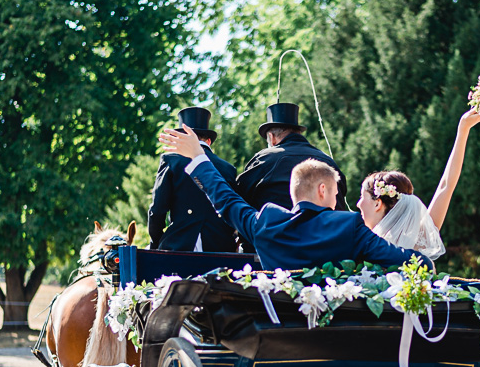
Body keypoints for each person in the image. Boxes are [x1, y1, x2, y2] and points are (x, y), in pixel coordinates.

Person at [157, 125, 431, 273]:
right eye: (336, 192)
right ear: (323, 190)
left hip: (274, 332)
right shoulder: (350, 227)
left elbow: (227, 200)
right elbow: (412, 262)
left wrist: (199, 158)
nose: (338, 200)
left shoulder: (267, 223)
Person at [356, 109, 480, 260]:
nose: (358, 204)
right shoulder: (418, 241)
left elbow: (445, 186)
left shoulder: (364, 245)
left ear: (378, 203)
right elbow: (446, 187)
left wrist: (463, 129)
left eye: (362, 196)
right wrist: (463, 130)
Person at [148, 107, 237, 252]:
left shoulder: (171, 160)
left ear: (182, 139)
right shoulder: (228, 168)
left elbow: (157, 210)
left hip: (179, 246)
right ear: (208, 141)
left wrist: (157, 243)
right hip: (220, 249)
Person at [234, 102, 348, 212]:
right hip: (328, 230)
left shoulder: (264, 159)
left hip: (277, 230)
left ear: (271, 137)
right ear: (298, 132)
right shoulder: (328, 162)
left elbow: (238, 199)